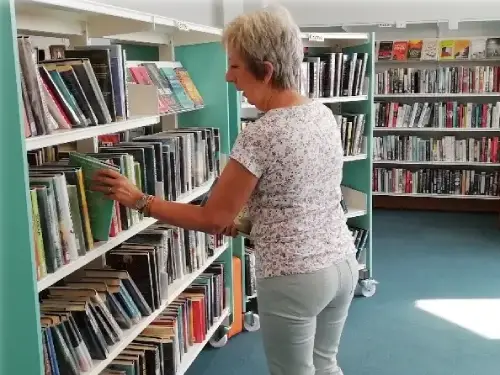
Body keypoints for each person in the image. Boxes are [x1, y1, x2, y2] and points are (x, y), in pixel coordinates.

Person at [91, 5, 359, 375]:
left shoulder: (262, 135)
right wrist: (252, 223)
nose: (228, 77)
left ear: (265, 70)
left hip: (295, 276)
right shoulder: (320, 114)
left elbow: (213, 219)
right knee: (325, 365)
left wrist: (140, 200)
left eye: (235, 66)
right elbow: (301, 193)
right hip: (342, 264)